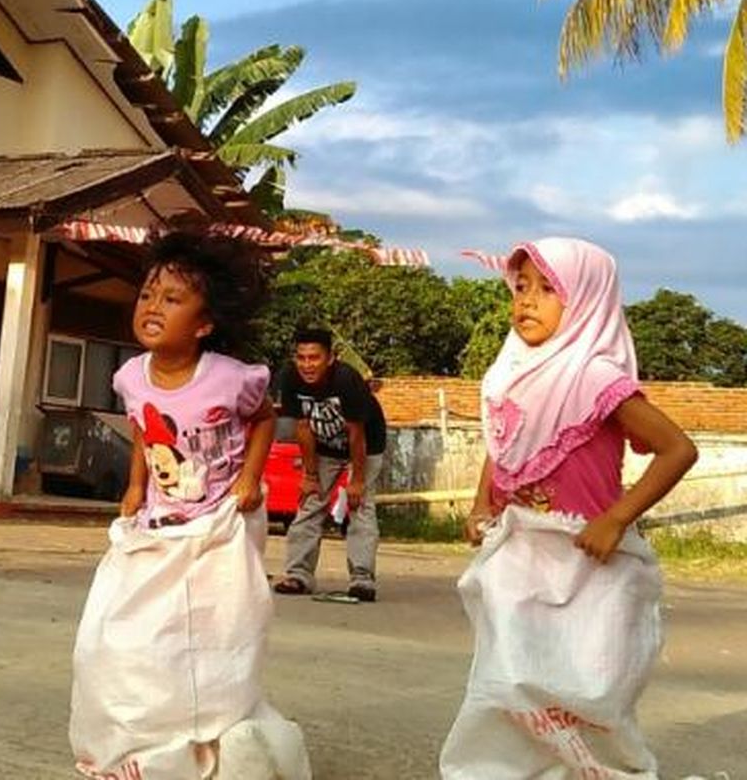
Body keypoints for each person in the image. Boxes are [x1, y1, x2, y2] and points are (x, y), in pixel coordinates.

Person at [440, 238, 698, 778]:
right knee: (509, 680)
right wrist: (481, 503)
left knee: (586, 690)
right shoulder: (510, 373)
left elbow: (678, 449)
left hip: (590, 564)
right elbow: (503, 443)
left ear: (587, 299)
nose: (526, 301)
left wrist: (616, 518)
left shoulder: (596, 377)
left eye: (547, 289)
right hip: (520, 556)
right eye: (521, 287)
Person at [70, 233, 310, 779]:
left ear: (204, 324)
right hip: (161, 524)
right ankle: (146, 736)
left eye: (172, 299)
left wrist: (250, 477)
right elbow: (141, 429)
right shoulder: (131, 376)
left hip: (222, 525)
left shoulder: (229, 377)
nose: (153, 307)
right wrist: (135, 486)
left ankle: (215, 727)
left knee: (211, 630)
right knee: (128, 629)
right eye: (148, 295)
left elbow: (265, 418)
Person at [272, 328, 387, 601]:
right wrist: (310, 475)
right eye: (301, 358)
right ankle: (298, 575)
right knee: (311, 501)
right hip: (323, 445)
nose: (307, 365)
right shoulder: (290, 378)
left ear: (330, 358)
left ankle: (362, 579)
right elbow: (302, 427)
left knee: (360, 505)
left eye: (314, 358)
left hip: (366, 444)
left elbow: (356, 433)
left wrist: (357, 480)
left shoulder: (347, 379)